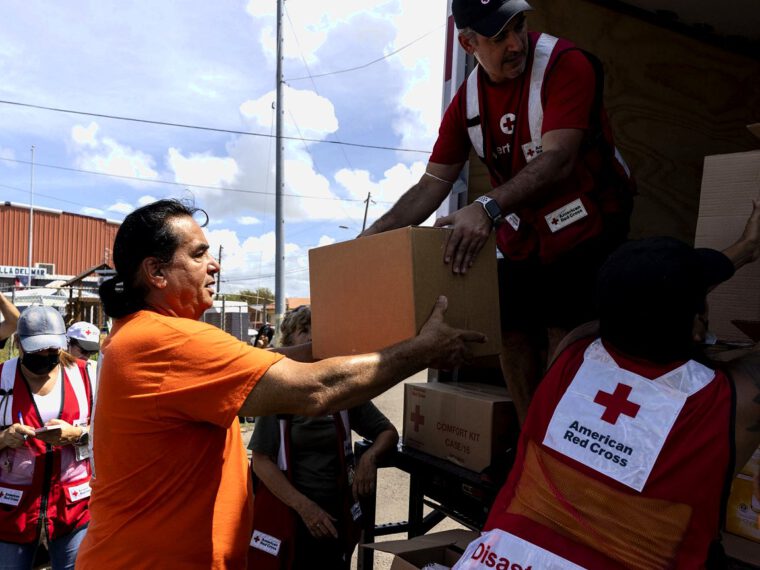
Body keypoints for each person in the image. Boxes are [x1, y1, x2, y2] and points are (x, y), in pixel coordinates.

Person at [76, 199, 484, 569]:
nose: (215, 264)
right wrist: (421, 350)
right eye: (199, 254)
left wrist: (370, 332)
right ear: (156, 272)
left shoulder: (146, 335)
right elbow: (315, 390)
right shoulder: (166, 340)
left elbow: (275, 361)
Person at [361, 0, 634, 423]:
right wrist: (370, 241)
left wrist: (486, 207)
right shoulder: (467, 101)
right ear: (468, 43)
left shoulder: (566, 64)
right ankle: (532, 438)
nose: (514, 44)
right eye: (498, 36)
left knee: (565, 326)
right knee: (509, 325)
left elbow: (559, 159)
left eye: (518, 26)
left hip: (590, 218)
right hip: (526, 229)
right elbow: (432, 185)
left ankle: (560, 441)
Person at [451, 200, 760, 569]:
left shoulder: (570, 353)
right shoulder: (728, 403)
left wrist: (740, 251)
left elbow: (633, 300)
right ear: (696, 324)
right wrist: (743, 251)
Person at [249, 306, 399, 569]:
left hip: (336, 514)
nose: (311, 338)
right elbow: (261, 461)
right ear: (289, 342)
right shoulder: (281, 391)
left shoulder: (342, 389)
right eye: (304, 331)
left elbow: (387, 432)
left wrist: (370, 458)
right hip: (293, 515)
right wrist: (305, 508)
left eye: (317, 332)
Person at [0, 306, 94, 570]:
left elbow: (113, 434)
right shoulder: (1, 378)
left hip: (73, 510)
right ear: (18, 343)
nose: (44, 356)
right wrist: (4, 438)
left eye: (51, 350)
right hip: (12, 513)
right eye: (36, 350)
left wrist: (77, 435)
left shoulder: (87, 376)